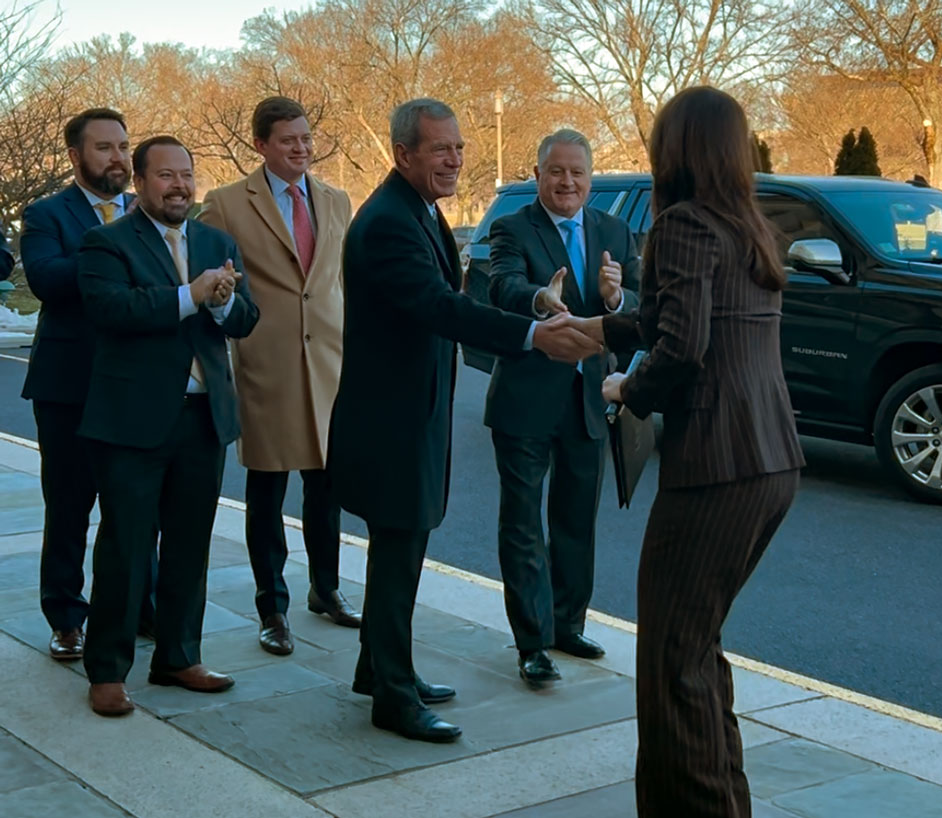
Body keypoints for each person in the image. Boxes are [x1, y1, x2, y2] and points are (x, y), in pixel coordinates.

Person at [331, 98, 601, 743]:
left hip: (407, 411)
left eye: (458, 149)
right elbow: (440, 308)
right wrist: (534, 334)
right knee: (398, 555)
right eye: (439, 150)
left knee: (403, 550)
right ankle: (393, 697)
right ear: (404, 154)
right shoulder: (391, 221)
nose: (453, 160)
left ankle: (380, 667)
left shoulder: (414, 209)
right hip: (391, 420)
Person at [573, 87, 805, 816]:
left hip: (715, 464)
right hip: (771, 462)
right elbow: (680, 316)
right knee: (696, 649)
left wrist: (625, 391)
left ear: (676, 150)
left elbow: (682, 347)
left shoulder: (680, 224)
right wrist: (598, 330)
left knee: (671, 660)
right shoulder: (749, 229)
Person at [78, 136, 259, 717]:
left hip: (203, 419)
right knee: (126, 550)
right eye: (166, 176)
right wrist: (190, 294)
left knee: (189, 546)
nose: (180, 186)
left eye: (187, 175)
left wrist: (224, 302)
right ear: (140, 181)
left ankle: (180, 656)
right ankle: (107, 671)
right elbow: (114, 311)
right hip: (133, 423)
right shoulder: (105, 243)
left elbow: (246, 319)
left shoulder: (215, 240)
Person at [200, 97, 358, 656]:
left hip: (330, 364)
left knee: (327, 486)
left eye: (306, 138)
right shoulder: (224, 204)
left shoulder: (337, 200)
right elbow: (205, 273)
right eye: (288, 139)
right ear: (261, 145)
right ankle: (273, 608)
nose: (301, 148)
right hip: (265, 364)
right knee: (267, 489)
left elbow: (340, 280)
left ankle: (327, 589)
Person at [485, 129, 640, 686]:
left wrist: (618, 297)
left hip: (588, 401)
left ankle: (566, 624)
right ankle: (532, 643)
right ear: (538, 173)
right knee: (523, 524)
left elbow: (642, 305)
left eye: (577, 173)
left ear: (590, 178)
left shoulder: (614, 231)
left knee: (576, 521)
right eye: (556, 172)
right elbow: (501, 286)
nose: (567, 182)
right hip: (526, 400)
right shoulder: (511, 228)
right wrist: (538, 299)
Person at [19, 108, 156, 662]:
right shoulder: (47, 213)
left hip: (136, 385)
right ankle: (67, 617)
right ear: (76, 156)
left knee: (136, 508)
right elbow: (48, 280)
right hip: (68, 385)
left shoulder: (149, 212)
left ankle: (136, 608)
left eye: (124, 147)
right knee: (70, 507)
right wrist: (112, 250)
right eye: (105, 148)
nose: (120, 158)